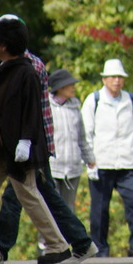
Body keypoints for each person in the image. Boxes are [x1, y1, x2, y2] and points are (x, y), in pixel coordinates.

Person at [0, 14, 97, 263]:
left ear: (4, 44)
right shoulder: (1, 71)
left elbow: (32, 111)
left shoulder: (29, 71)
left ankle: (58, 245)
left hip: (20, 148)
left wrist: (26, 143)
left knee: (29, 194)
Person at [82, 58, 133, 258]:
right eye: (112, 77)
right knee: (100, 210)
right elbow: (86, 133)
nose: (117, 81)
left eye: (120, 77)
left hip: (127, 162)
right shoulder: (94, 100)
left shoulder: (132, 100)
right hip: (102, 162)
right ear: (104, 79)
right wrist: (89, 161)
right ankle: (100, 248)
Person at [47, 69, 96, 212]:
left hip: (73, 168)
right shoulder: (46, 107)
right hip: (52, 167)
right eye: (70, 85)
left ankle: (68, 236)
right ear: (60, 88)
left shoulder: (75, 107)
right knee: (51, 210)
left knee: (69, 211)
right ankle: (47, 236)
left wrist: (89, 158)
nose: (73, 87)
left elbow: (81, 137)